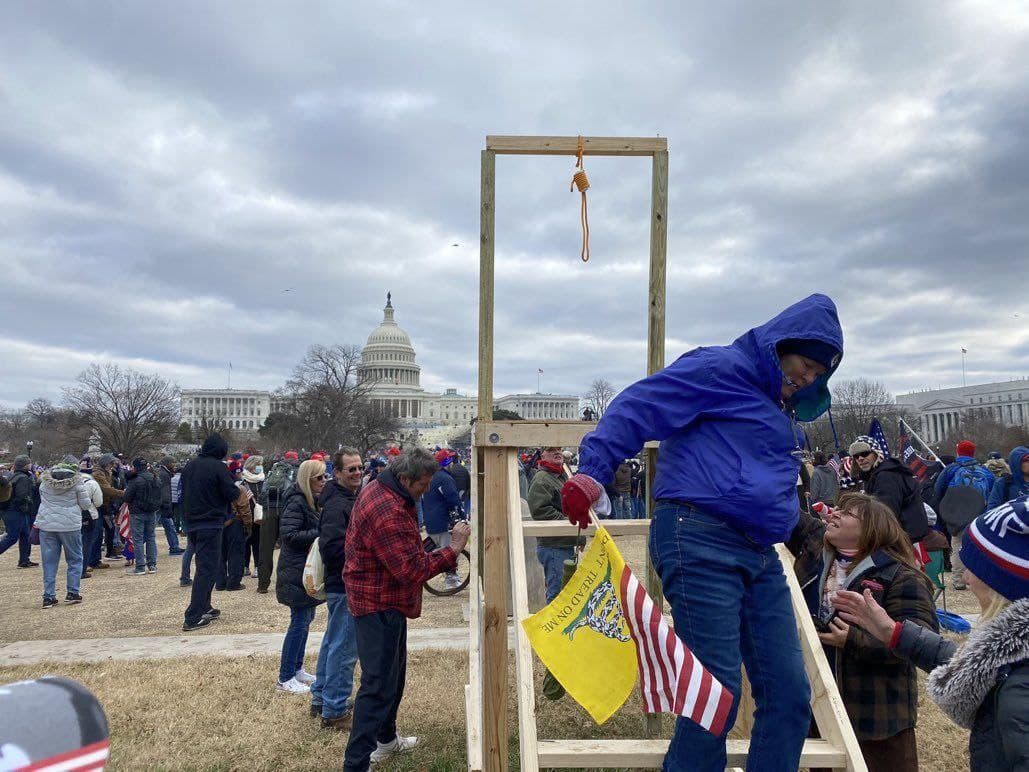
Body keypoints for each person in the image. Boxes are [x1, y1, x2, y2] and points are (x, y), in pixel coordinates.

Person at [560, 294, 843, 771]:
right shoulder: (720, 369)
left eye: (818, 374)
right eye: (804, 364)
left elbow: (756, 478)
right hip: (698, 534)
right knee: (714, 695)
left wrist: (800, 528)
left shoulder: (781, 409)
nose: (807, 378)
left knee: (792, 695)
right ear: (780, 345)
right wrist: (593, 471)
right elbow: (639, 405)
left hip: (759, 550)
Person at [833, 494, 1029, 771]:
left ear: (1005, 582)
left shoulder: (1020, 689)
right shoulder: (1012, 654)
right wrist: (895, 633)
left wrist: (859, 640)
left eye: (975, 569)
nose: (966, 579)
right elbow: (973, 663)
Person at [342, 449, 470, 770]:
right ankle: (356, 763)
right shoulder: (387, 509)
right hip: (376, 602)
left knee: (393, 677)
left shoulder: (388, 491)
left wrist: (430, 546)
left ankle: (386, 740)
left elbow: (404, 552)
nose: (426, 490)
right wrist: (453, 548)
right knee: (377, 684)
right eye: (422, 484)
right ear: (404, 478)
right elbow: (411, 570)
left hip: (387, 599)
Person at [813, 492, 937, 771]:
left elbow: (921, 642)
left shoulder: (902, 577)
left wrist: (853, 640)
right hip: (824, 714)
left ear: (871, 529)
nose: (834, 514)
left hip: (878, 720)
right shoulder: (816, 563)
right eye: (837, 509)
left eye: (847, 513)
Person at [310, 448, 362, 729]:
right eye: (350, 469)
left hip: (341, 582)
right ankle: (335, 710)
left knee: (333, 642)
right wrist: (360, 558)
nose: (356, 473)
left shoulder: (343, 498)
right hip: (343, 582)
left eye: (359, 468)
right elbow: (331, 547)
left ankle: (321, 697)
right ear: (338, 473)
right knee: (343, 648)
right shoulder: (337, 504)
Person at [275, 458, 326, 693]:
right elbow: (289, 535)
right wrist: (319, 533)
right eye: (320, 478)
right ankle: (285, 677)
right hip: (295, 570)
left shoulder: (310, 501)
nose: (324, 482)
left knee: (305, 621)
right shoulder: (296, 502)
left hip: (303, 569)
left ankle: (296, 669)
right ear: (308, 479)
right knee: (299, 622)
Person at [180, 434, 239, 632]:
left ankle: (205, 606)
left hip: (192, 522)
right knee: (207, 569)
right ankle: (193, 615)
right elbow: (232, 493)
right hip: (211, 522)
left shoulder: (190, 465)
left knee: (204, 566)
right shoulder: (218, 467)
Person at [933, 440, 995, 589]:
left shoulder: (951, 469)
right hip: (980, 512)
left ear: (958, 452)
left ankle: (959, 581)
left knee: (958, 545)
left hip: (958, 513)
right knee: (979, 546)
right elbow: (992, 490)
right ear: (973, 453)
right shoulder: (985, 471)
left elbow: (938, 488)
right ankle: (979, 580)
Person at [848, 436, 928, 542]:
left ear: (876, 454)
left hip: (904, 537)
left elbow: (885, 511)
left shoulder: (886, 475)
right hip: (900, 535)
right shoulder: (873, 475)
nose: (860, 458)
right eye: (856, 456)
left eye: (865, 453)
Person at [529, 447, 582, 602]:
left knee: (565, 591)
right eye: (551, 449)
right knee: (558, 594)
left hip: (563, 542)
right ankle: (552, 627)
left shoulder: (561, 476)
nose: (557, 452)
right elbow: (540, 511)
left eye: (559, 449)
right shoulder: (542, 479)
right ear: (542, 454)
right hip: (553, 545)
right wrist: (570, 524)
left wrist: (579, 537)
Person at [36, 461, 93, 608]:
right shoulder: (78, 483)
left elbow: (41, 499)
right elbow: (86, 504)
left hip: (47, 525)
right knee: (74, 558)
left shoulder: (44, 483)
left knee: (49, 561)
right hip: (70, 525)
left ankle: (48, 596)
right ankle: (72, 592)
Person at [257, 450, 300, 594]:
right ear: (295, 459)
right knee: (289, 547)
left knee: (265, 548)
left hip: (268, 510)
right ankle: (287, 583)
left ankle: (263, 584)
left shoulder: (272, 470)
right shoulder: (296, 470)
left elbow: (261, 494)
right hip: (287, 511)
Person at [421, 450, 464, 591]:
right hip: (443, 521)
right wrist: (461, 515)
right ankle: (451, 580)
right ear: (446, 462)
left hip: (431, 520)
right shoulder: (445, 478)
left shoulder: (432, 477)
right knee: (449, 551)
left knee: (437, 548)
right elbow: (453, 499)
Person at [121, 458, 162, 576]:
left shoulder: (135, 480)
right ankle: (152, 564)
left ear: (135, 467)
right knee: (150, 537)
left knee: (138, 539)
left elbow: (127, 498)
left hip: (137, 512)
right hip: (152, 511)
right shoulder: (156, 478)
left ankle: (140, 566)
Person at [0, 455, 38, 568]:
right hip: (16, 511)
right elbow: (22, 496)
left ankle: (24, 560)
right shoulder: (23, 478)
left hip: (9, 510)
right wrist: (28, 504)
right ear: (26, 465)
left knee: (25, 535)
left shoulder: (12, 476)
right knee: (12, 536)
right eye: (29, 463)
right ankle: (24, 560)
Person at [217, 468, 252, 592]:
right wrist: (248, 525)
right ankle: (233, 582)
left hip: (219, 523)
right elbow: (244, 509)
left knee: (220, 554)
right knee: (236, 553)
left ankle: (220, 582)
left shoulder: (215, 489)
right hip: (235, 523)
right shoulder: (239, 489)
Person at [77, 458, 104, 579]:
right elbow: (98, 502)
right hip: (90, 514)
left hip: (73, 515)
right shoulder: (92, 483)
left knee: (76, 543)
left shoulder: (72, 482)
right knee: (88, 542)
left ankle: (76, 566)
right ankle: (83, 567)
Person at [92, 454, 123, 559]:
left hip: (106, 504)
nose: (113, 465)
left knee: (110, 528)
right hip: (100, 505)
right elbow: (106, 489)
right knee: (99, 532)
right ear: (106, 463)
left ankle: (110, 552)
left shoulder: (106, 472)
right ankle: (95, 558)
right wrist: (123, 493)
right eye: (111, 463)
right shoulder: (98, 474)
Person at [240, 455, 265, 579]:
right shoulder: (242, 481)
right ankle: (245, 566)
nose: (260, 467)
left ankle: (257, 566)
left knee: (257, 541)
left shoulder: (263, 480)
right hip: (245, 515)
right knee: (245, 541)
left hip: (259, 516)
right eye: (258, 465)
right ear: (252, 466)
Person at [986, 445, 1028, 510]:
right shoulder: (1003, 483)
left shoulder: (985, 467)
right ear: (1016, 462)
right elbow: (991, 511)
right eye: (1027, 459)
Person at [156, 457, 184, 556]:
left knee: (170, 527)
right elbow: (165, 491)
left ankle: (174, 547)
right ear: (168, 463)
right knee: (150, 530)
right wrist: (167, 504)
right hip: (162, 505)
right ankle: (174, 547)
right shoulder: (164, 474)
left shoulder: (164, 473)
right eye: (173, 463)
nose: (174, 465)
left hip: (163, 504)